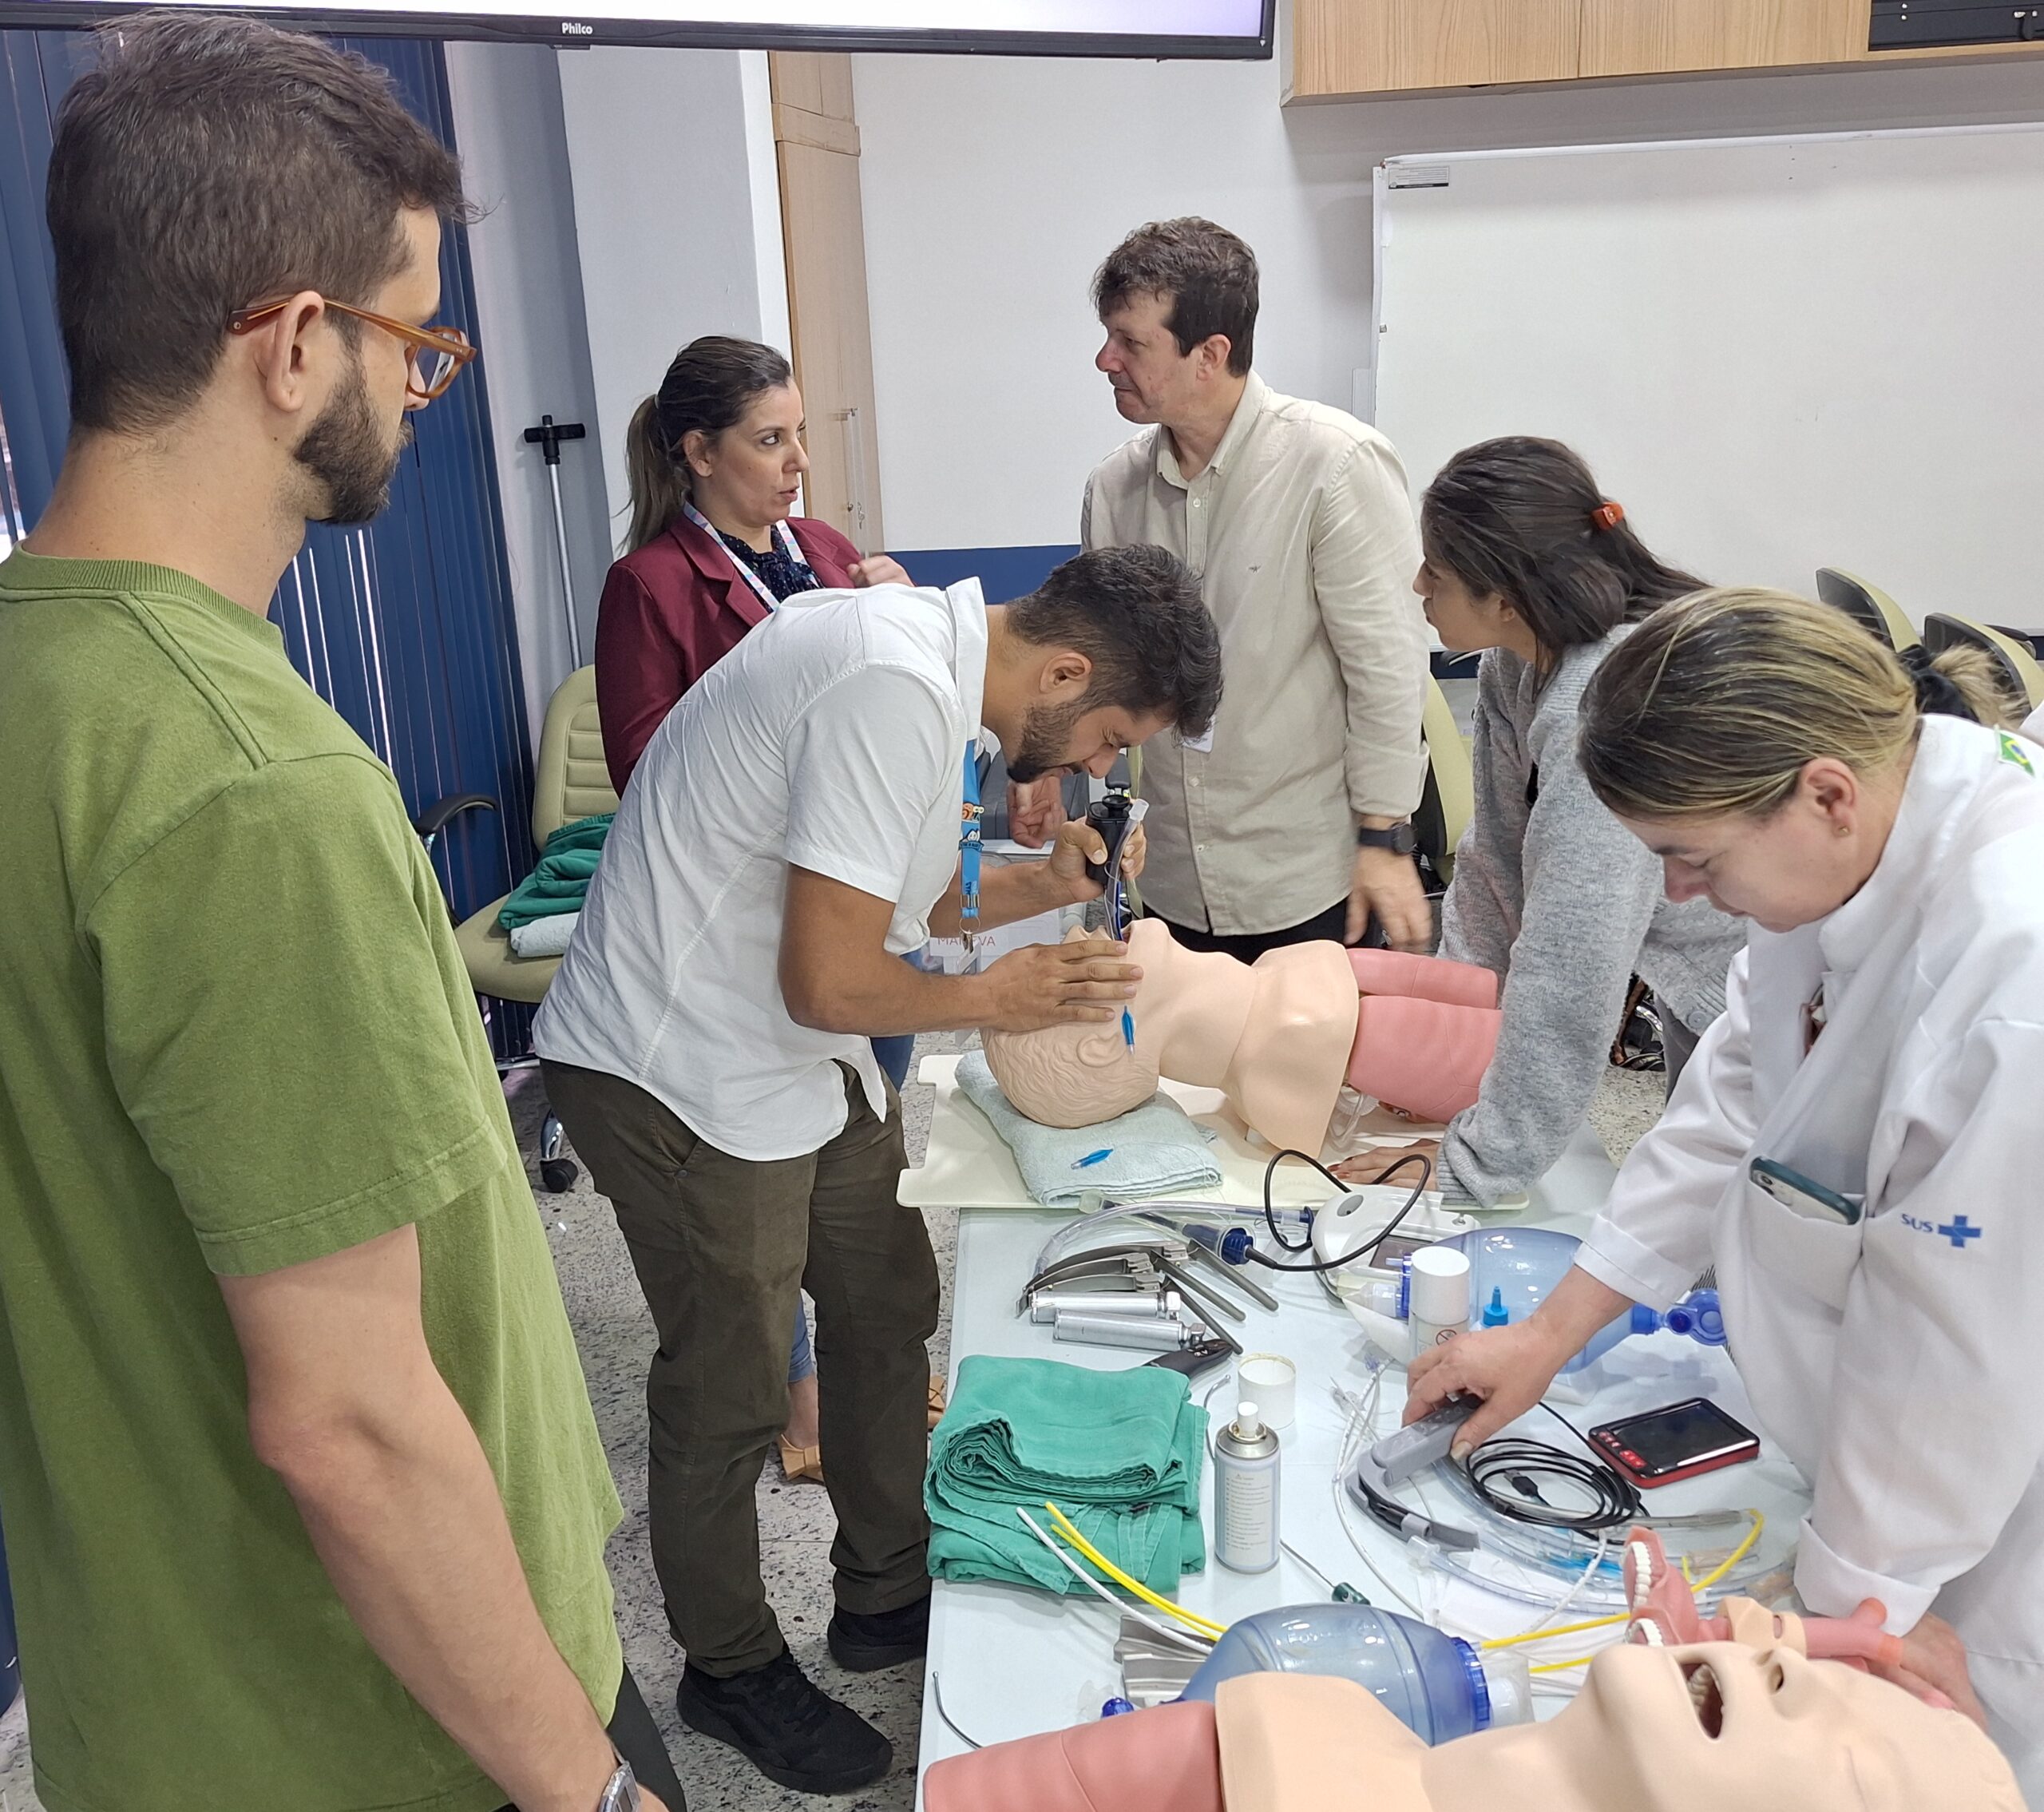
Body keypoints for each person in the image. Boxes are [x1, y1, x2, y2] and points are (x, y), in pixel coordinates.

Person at [0, 15, 677, 1812]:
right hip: (382, 1733)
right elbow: (349, 1422)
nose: (423, 385)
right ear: (297, 345)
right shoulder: (244, 782)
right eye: (417, 340)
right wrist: (585, 1786)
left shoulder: (37, 679)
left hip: (146, 1699)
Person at [533, 546, 1221, 1794]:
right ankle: (730, 1666)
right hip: (678, 1065)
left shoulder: (942, 686)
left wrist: (1042, 888)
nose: (1094, 770)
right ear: (1065, 669)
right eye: (1108, 737)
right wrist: (1004, 992)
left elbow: (895, 916)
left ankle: (883, 1596)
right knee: (733, 1386)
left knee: (886, 1304)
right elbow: (828, 977)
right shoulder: (887, 685)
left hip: (797, 1051)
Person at [1404, 588, 2042, 1796]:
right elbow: (1731, 1103)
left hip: (1997, 1510)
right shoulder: (1858, 839)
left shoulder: (2011, 976)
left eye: (1692, 860)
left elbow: (1953, 1362)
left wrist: (1851, 1619)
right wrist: (1551, 1330)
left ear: (1824, 795)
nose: (1680, 899)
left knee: (1923, 1754)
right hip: (1900, 1465)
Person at [599, 333, 917, 1485]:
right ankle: (799, 1390)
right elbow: (648, 774)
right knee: (766, 1174)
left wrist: (900, 610)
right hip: (748, 934)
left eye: (799, 436)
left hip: (862, 905)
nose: (795, 465)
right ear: (698, 451)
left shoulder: (828, 551)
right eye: (768, 440)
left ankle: (858, 1361)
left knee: (864, 1148)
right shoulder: (652, 587)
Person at [1385, 438, 1743, 1205]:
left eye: (1436, 572)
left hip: (1771, 979)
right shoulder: (1513, 663)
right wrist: (1441, 1053)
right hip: (1703, 971)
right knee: (1705, 1211)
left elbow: (1571, 956)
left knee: (1739, 1235)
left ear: (1506, 596)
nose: (1418, 584)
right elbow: (1494, 868)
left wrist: (1475, 1165)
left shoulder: (1605, 699)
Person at [1076, 216, 1432, 961]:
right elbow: (1106, 668)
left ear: (1211, 355)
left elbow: (1387, 671)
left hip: (1307, 877)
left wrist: (1386, 835)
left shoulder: (1335, 466)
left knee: (1301, 1076)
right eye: (1108, 334)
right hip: (1170, 875)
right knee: (1192, 1077)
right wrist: (1055, 761)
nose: (1106, 358)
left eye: (1132, 342)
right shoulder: (1114, 489)